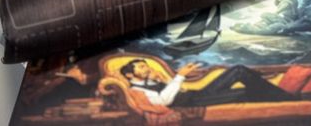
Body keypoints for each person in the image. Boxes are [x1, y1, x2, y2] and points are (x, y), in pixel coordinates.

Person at [120, 59, 292, 107]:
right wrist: (179, 76)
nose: (147, 68)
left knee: (238, 70)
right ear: (129, 75)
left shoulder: (151, 81)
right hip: (193, 102)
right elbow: (164, 101)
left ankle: (287, 98)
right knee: (244, 93)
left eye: (146, 65)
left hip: (197, 95)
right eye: (141, 67)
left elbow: (180, 89)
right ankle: (290, 100)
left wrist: (164, 79)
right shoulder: (137, 90)